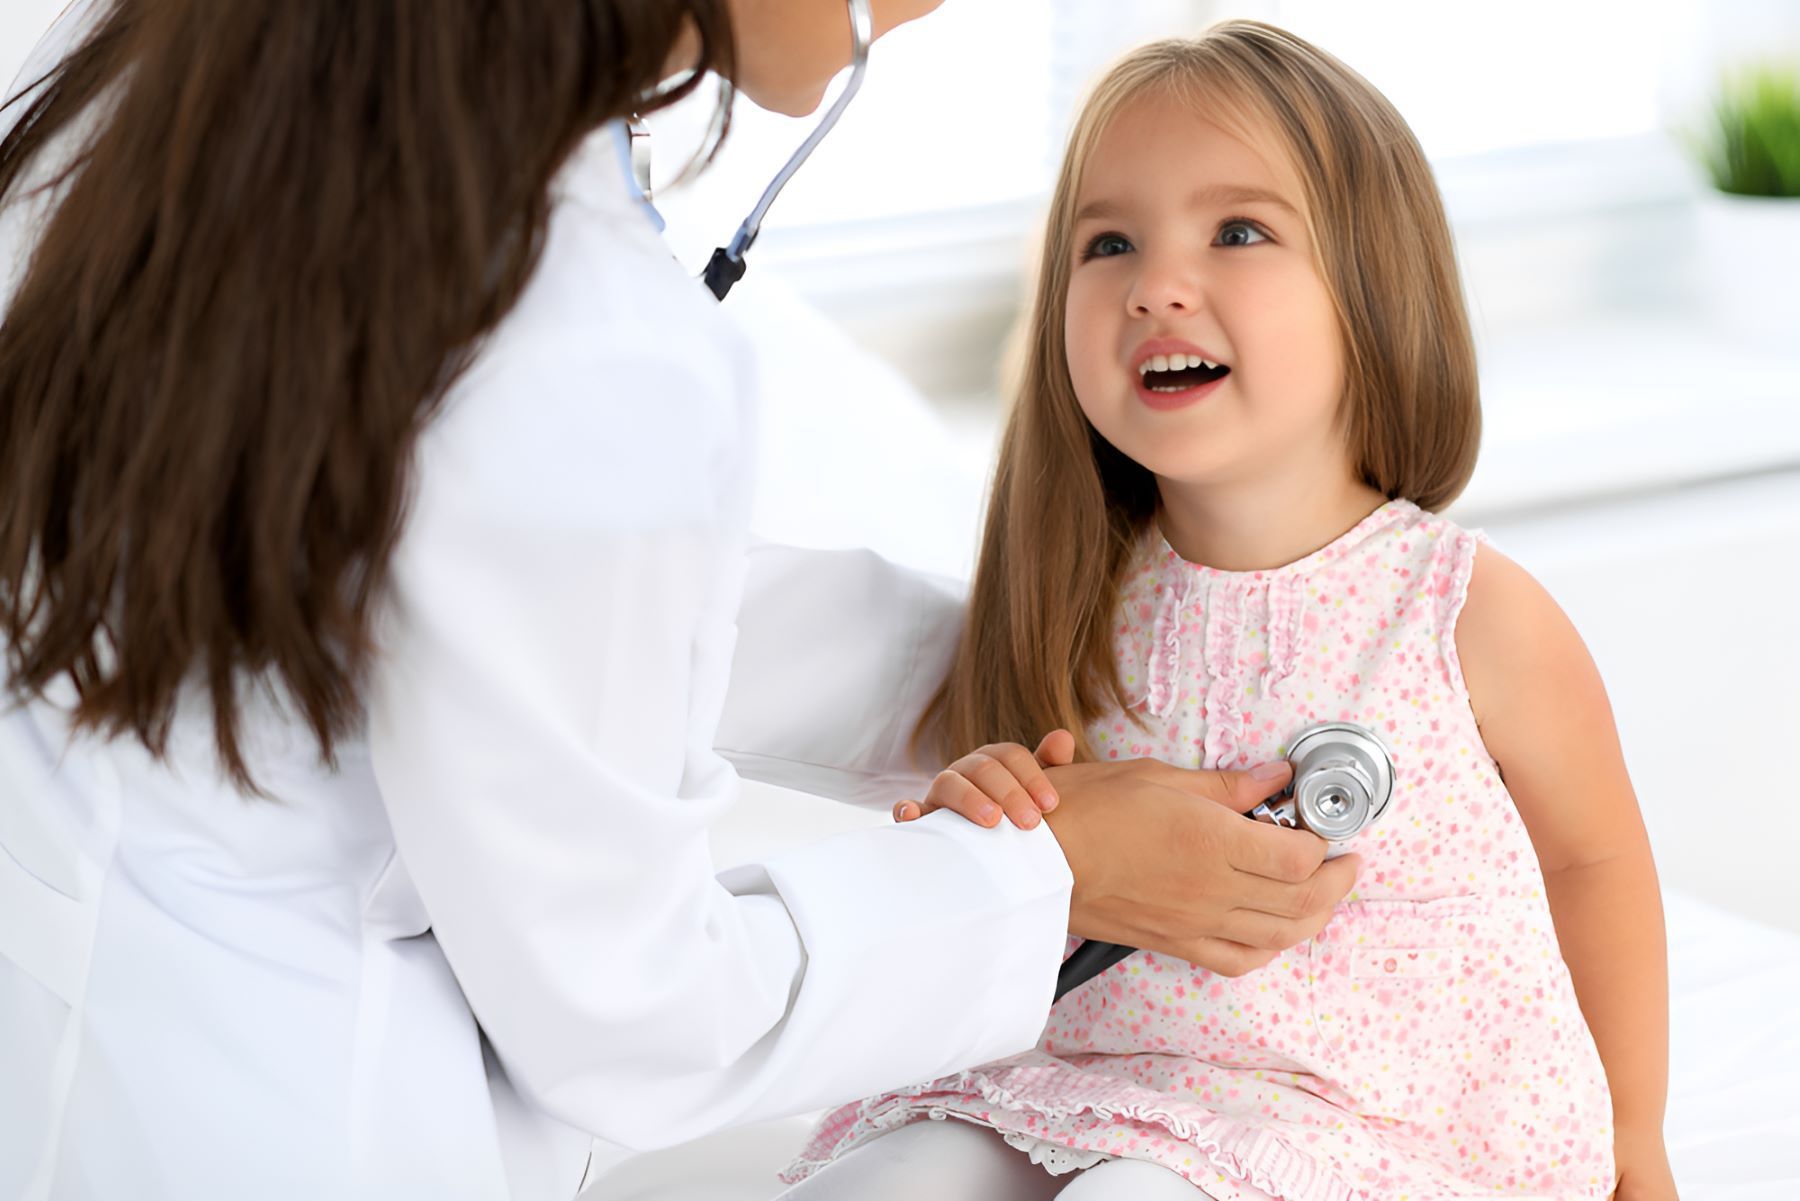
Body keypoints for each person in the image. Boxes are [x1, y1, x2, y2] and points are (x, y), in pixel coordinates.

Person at [0, 4, 1363, 1200]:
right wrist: (1057, 880)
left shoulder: (171, 71)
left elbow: (477, 590)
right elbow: (634, 1014)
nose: (927, 11)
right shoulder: (570, 330)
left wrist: (1009, 673)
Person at [775, 21, 1678, 1201]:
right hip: (1082, 1079)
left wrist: (1635, 1144)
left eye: (1238, 230)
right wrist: (980, 820)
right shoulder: (1066, 594)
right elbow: (1025, 881)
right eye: (1107, 243)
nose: (1153, 284)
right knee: (881, 1182)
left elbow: (1594, 859)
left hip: (1350, 1122)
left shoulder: (1462, 611)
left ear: (1371, 290)